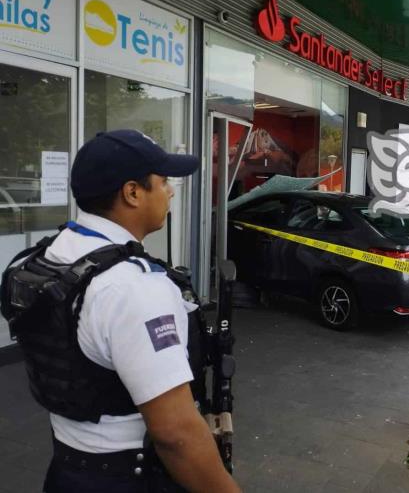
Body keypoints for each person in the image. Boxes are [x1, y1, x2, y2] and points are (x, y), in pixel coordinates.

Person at [1, 130, 241, 493]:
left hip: (66, 469)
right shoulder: (134, 287)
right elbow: (175, 434)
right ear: (132, 193)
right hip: (130, 477)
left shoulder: (50, 255)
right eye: (163, 182)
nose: (171, 191)